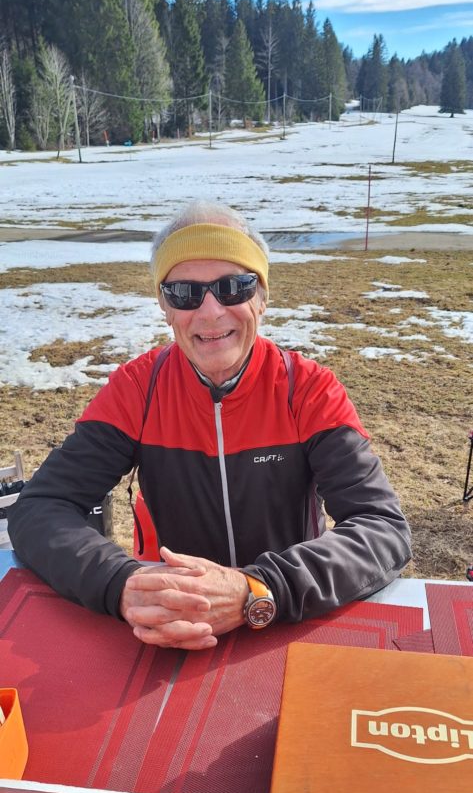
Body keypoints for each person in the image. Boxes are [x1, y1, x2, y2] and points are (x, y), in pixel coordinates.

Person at [8, 201, 411, 651]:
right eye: (185, 293)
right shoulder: (138, 389)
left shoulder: (307, 389)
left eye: (233, 287)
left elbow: (382, 529)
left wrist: (256, 590)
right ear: (165, 307)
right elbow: (40, 509)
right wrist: (122, 584)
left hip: (283, 617)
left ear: (262, 298)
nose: (211, 312)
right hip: (167, 622)